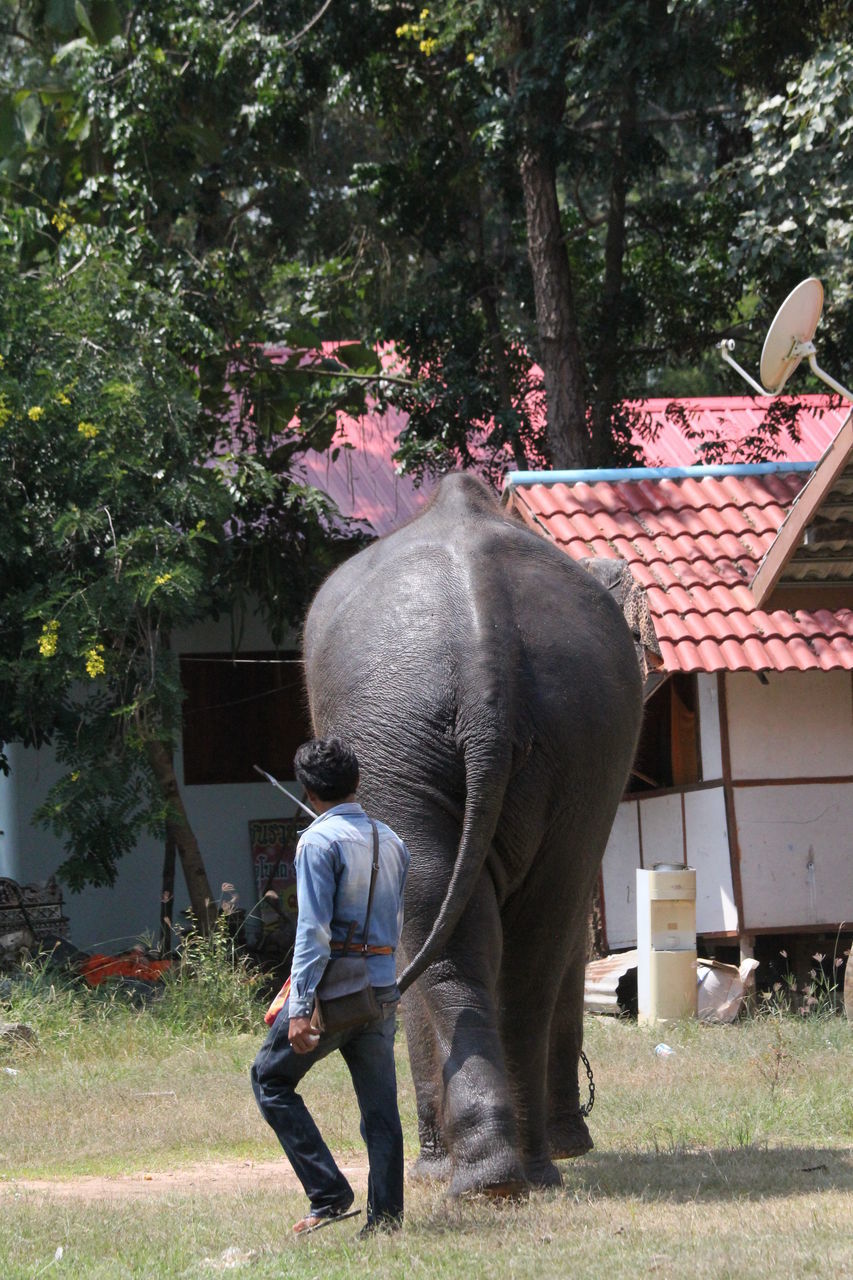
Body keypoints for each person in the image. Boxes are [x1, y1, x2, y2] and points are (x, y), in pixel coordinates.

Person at [251, 737, 410, 1237]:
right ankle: (385, 1220)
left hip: (334, 994)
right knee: (380, 1111)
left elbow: (313, 933)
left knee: (270, 1080)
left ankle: (329, 1193)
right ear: (356, 782)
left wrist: (300, 1007)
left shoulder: (317, 843)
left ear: (308, 791)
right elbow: (397, 922)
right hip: (382, 989)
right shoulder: (392, 840)